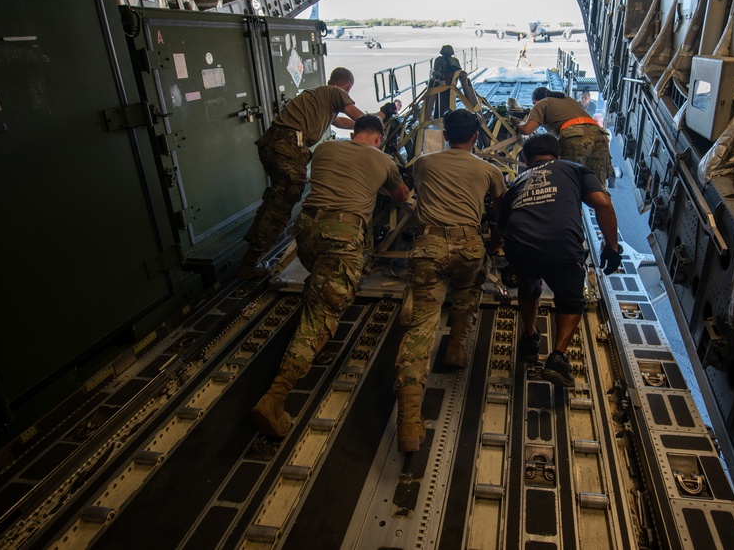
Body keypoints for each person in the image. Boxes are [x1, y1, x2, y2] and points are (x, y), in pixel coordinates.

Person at [251, 115, 410, 437]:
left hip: (307, 233)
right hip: (342, 234)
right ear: (378, 139)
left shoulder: (324, 149)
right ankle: (275, 397)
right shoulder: (383, 159)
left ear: (354, 132)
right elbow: (401, 196)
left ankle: (315, 325)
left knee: (323, 286)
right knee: (321, 313)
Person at [392, 109, 507, 452]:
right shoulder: (490, 170)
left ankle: (409, 423)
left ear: (444, 135)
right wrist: (496, 246)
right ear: (475, 137)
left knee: (420, 327)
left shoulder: (423, 164)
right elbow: (501, 212)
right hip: (469, 245)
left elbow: (408, 190)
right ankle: (456, 347)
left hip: (427, 247)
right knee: (468, 290)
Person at [499, 134, 622, 388]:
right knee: (570, 300)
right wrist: (612, 248)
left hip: (519, 246)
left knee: (529, 284)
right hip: (562, 246)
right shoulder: (574, 168)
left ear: (525, 159)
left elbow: (499, 225)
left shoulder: (517, 181)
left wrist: (498, 253)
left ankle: (531, 338)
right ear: (558, 155)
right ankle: (557, 357)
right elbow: (602, 203)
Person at [238, 67, 367, 279]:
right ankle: (248, 264)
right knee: (281, 207)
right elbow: (358, 117)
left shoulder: (319, 99)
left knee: (275, 198)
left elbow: (343, 122)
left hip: (273, 144)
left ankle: (254, 243)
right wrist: (375, 123)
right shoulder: (336, 92)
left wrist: (375, 119)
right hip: (288, 146)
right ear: (348, 87)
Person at [510, 86, 612, 186]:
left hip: (577, 138)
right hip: (600, 135)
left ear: (536, 101)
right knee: (599, 185)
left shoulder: (541, 104)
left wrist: (516, 123)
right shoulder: (568, 100)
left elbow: (526, 130)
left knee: (567, 181)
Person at [431, 45, 462, 118]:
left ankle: (441, 116)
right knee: (450, 99)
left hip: (443, 82)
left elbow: (437, 70)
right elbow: (459, 71)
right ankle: (450, 115)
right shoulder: (455, 60)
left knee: (441, 100)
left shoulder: (439, 60)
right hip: (452, 83)